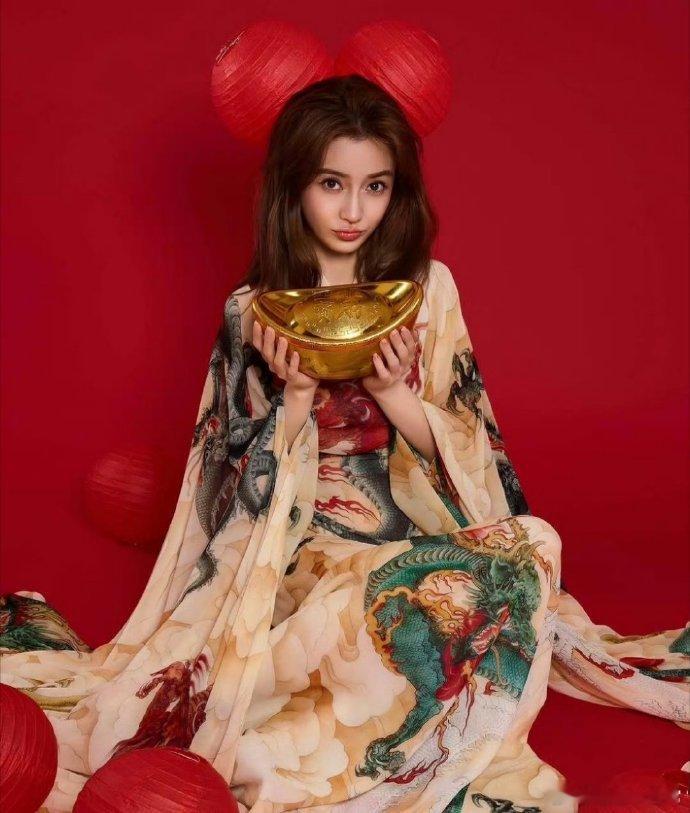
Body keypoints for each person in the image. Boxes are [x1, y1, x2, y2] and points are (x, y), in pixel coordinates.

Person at [1, 73, 688, 813]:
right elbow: (221, 494)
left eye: (376, 186)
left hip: (413, 544)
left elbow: (475, 450)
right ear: (295, 186)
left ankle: (349, 712)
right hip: (301, 564)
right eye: (332, 184)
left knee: (535, 545)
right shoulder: (251, 311)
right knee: (366, 623)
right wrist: (294, 400)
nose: (354, 211)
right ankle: (285, 749)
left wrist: (395, 396)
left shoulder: (429, 291)